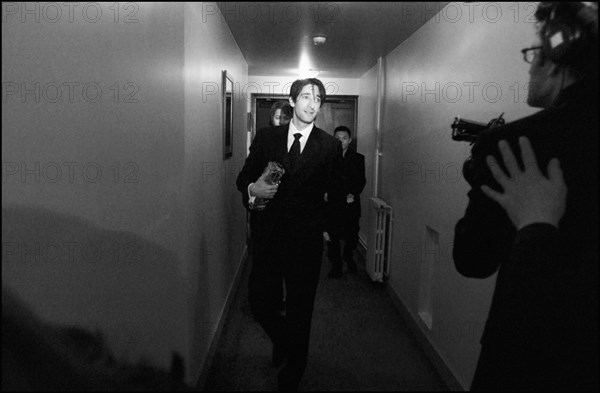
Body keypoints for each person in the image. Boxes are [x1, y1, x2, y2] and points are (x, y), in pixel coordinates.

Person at [453, 2, 598, 390]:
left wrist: (479, 174)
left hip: (525, 363)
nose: (529, 64)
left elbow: (472, 259)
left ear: (556, 58)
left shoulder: (512, 146)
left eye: (535, 52)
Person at [236, 78, 343, 391]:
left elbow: (336, 196)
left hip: (305, 243)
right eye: (307, 97)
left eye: (318, 99)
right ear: (293, 100)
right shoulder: (268, 137)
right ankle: (284, 340)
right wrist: (251, 188)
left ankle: (295, 368)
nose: (312, 104)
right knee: (260, 303)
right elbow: (244, 177)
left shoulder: (329, 145)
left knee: (300, 309)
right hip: (267, 237)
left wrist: (328, 231)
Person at [325, 126, 366, 278]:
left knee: (352, 236)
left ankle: (348, 257)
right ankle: (336, 265)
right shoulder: (327, 158)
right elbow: (325, 180)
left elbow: (361, 180)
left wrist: (353, 193)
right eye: (337, 138)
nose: (340, 141)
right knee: (333, 236)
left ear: (349, 140)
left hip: (351, 203)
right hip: (333, 203)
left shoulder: (358, 158)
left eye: (343, 138)